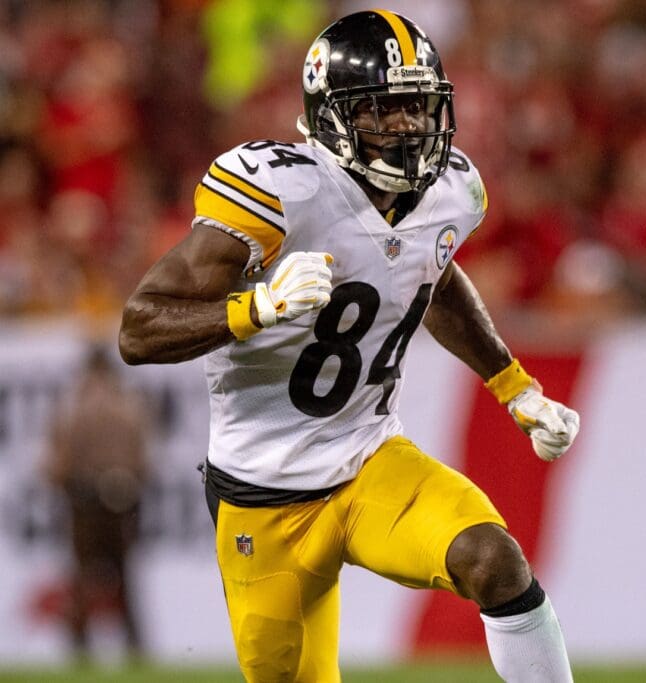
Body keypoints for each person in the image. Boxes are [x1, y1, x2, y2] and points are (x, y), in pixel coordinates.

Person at [118, 10, 580, 682]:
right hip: (264, 493)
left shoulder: (448, 190)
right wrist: (257, 307)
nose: (407, 125)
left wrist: (513, 386)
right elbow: (138, 328)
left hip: (369, 460)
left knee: (493, 558)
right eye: (382, 108)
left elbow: (433, 274)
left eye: (416, 106)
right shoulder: (280, 191)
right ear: (331, 115)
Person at [45, 345, 149, 661]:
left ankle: (80, 649)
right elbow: (144, 464)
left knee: (81, 578)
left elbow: (57, 467)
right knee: (126, 580)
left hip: (84, 503)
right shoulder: (130, 407)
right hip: (122, 503)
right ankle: (135, 650)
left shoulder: (73, 409)